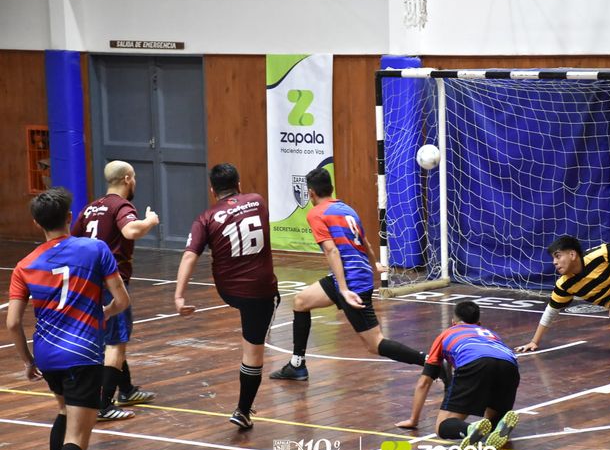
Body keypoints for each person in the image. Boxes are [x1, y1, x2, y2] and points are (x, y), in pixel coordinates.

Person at [7, 187, 130, 450]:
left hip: (47, 355)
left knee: (64, 413)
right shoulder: (95, 249)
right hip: (83, 353)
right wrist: (101, 314)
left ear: (37, 224)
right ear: (69, 217)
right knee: (78, 439)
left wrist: (27, 361)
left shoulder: (24, 265)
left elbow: (12, 323)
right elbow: (121, 300)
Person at [270, 167, 427, 381]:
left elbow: (331, 250)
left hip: (352, 283)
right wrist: (374, 266)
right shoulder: (346, 210)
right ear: (331, 189)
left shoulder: (316, 214)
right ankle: (297, 365)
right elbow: (365, 243)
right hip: (345, 278)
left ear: (311, 193)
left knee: (375, 344)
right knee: (300, 301)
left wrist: (344, 289)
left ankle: (429, 361)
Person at [174, 163, 280, 430]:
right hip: (260, 291)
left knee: (247, 314)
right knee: (253, 351)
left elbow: (189, 255)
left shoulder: (205, 217)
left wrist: (179, 296)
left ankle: (244, 409)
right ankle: (243, 411)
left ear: (212, 190)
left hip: (228, 291)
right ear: (239, 184)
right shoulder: (257, 201)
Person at [71, 160, 159, 421]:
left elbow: (74, 240)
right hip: (111, 282)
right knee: (115, 342)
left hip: (88, 280)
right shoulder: (121, 205)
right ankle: (104, 404)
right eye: (134, 178)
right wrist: (150, 221)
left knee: (114, 335)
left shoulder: (90, 208)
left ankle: (127, 389)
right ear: (127, 178)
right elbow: (131, 231)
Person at [396, 301, 520, 450]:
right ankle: (499, 423)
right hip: (510, 365)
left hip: (475, 362)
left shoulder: (447, 334)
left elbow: (424, 382)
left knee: (442, 426)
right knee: (492, 418)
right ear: (479, 323)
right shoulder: (491, 334)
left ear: (453, 322)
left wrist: (413, 419)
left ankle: (471, 429)